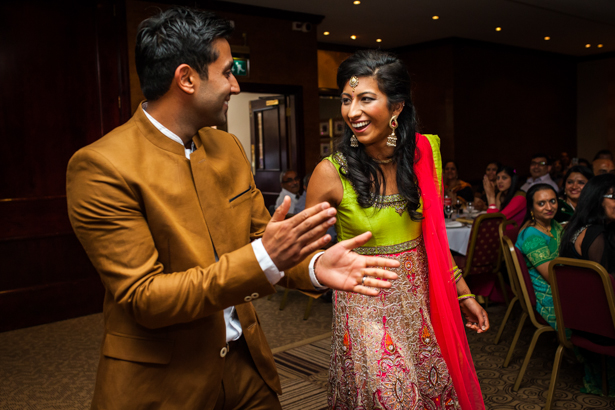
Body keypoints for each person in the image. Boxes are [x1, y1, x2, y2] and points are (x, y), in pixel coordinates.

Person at [66, 8, 400, 410]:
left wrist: (313, 267)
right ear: (186, 78)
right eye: (227, 72)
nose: (236, 85)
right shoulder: (102, 165)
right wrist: (266, 256)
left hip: (246, 369)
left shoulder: (228, 148)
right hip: (164, 383)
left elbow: (263, 240)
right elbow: (145, 298)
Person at [307, 50, 487, 409]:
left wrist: (463, 293)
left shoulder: (424, 154)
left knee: (432, 392)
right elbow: (300, 252)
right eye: (346, 100)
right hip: (365, 309)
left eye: (365, 99)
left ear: (397, 107)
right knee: (393, 397)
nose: (352, 111)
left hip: (419, 306)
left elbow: (431, 242)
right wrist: (321, 267)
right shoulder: (330, 172)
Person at [558, 173, 615, 396]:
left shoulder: (576, 229)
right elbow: (609, 288)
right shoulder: (598, 236)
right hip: (604, 327)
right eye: (613, 196)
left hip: (581, 323)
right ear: (597, 199)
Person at [515, 184, 562, 328]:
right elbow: (551, 276)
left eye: (552, 201)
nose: (549, 207)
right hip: (545, 291)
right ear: (531, 208)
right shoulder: (532, 236)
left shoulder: (554, 224)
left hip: (558, 279)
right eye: (541, 203)